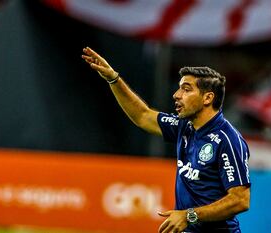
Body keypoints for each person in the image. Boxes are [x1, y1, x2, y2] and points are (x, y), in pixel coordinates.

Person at [82, 47, 251, 233]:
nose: (176, 95)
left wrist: (189, 215)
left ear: (207, 98)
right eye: (179, 88)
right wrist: (113, 79)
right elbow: (143, 115)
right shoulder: (184, 126)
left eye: (186, 89)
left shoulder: (227, 139)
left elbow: (240, 200)